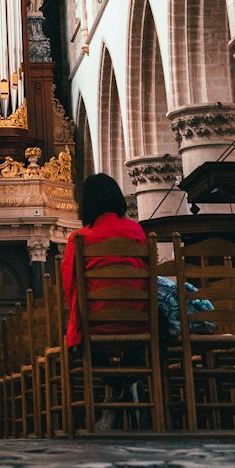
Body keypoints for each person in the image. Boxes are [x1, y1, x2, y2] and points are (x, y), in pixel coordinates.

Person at [61, 173, 147, 429]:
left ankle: (117, 388)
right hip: (140, 320)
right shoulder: (137, 231)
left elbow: (70, 286)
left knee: (81, 344)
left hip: (96, 325)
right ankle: (129, 386)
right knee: (138, 343)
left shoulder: (80, 238)